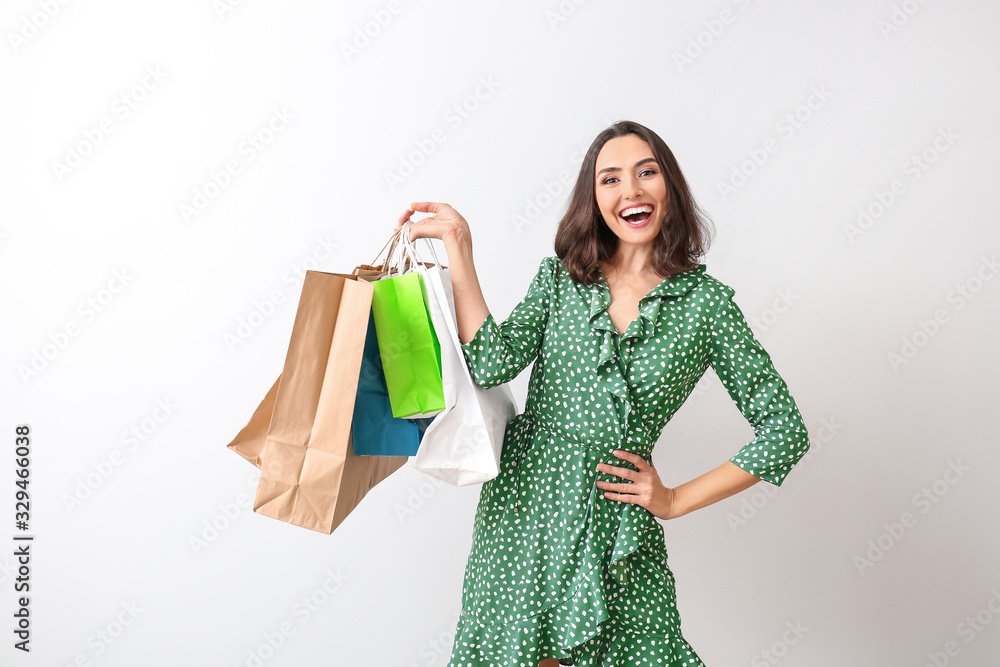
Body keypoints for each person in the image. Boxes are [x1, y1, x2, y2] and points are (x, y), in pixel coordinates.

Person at [394, 120, 810, 667]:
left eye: (646, 173)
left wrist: (676, 500)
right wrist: (459, 247)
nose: (630, 191)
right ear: (595, 198)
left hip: (615, 517)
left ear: (670, 189)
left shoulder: (706, 307)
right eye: (610, 179)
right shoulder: (563, 279)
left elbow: (785, 431)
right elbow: (493, 362)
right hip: (524, 508)